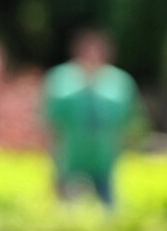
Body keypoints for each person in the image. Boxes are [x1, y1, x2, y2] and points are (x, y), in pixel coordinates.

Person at [41, 29, 142, 208]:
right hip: (70, 159)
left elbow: (131, 121)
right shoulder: (61, 79)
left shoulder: (120, 82)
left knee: (109, 210)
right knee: (66, 211)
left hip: (105, 160)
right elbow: (49, 119)